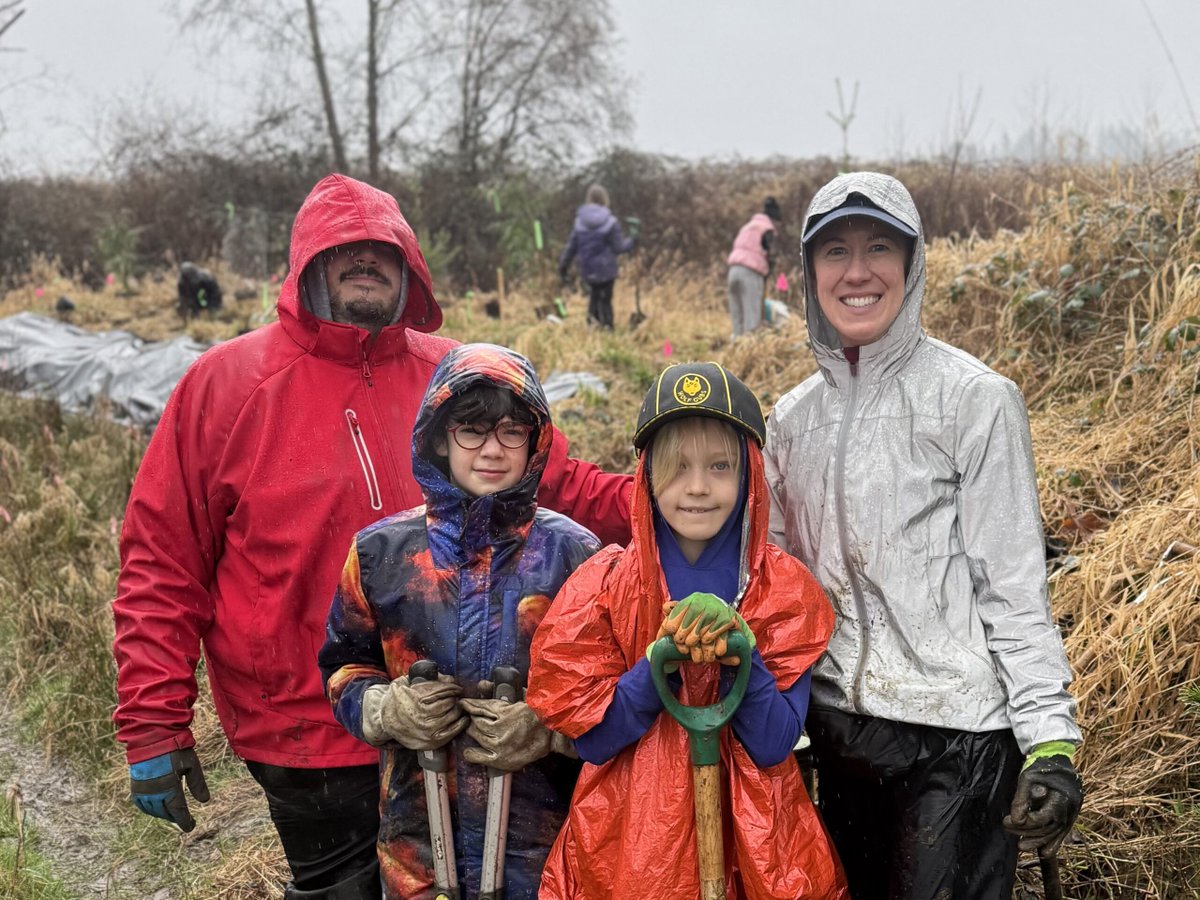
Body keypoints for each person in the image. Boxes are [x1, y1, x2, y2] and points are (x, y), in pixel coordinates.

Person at [111, 174, 633, 899]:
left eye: (381, 248)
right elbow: (162, 563)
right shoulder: (225, 386)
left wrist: (691, 506)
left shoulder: (453, 378)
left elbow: (561, 484)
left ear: (409, 264)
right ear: (307, 263)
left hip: (464, 727)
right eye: (342, 247)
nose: (364, 260)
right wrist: (152, 722)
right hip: (305, 730)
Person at [763, 171, 1083, 899]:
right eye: (834, 252)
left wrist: (1050, 742)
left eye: (880, 246)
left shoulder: (974, 400)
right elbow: (778, 593)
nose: (857, 271)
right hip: (840, 733)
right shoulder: (790, 421)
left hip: (957, 739)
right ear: (809, 273)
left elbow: (1012, 586)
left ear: (912, 264)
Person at [527, 361, 848, 899]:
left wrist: (742, 657)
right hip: (632, 841)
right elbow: (596, 742)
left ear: (749, 475)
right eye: (677, 468)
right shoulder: (606, 588)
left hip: (759, 840)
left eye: (720, 466)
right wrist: (658, 668)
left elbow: (773, 744)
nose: (697, 488)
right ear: (646, 477)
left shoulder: (781, 591)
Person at [318, 342, 599, 899]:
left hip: (543, 847)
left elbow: (607, 690)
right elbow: (345, 663)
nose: (491, 449)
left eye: (511, 431)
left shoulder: (576, 557)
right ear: (440, 437)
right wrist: (384, 707)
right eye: (471, 429)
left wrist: (549, 729)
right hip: (418, 848)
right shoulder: (381, 555)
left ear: (535, 439)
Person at [557, 184, 636, 330]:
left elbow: (571, 248)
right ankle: (608, 328)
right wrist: (633, 239)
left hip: (588, 269)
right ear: (605, 199)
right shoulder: (611, 221)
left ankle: (592, 328)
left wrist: (563, 267)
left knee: (593, 297)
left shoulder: (579, 222)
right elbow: (619, 248)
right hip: (607, 269)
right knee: (606, 300)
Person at [726, 196, 781, 338]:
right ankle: (751, 348)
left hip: (733, 271)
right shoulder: (767, 228)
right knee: (752, 314)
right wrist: (769, 270)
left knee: (737, 313)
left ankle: (736, 344)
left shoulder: (747, 226)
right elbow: (770, 252)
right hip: (751, 272)